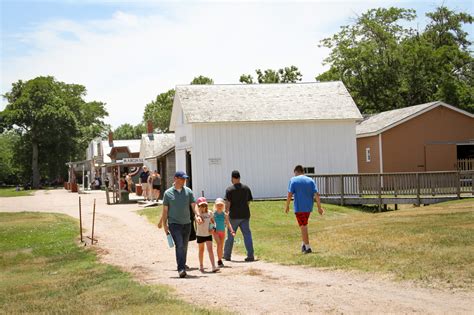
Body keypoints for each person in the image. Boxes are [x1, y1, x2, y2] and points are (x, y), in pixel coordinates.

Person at [162, 171, 202, 278]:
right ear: (175, 178)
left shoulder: (188, 192)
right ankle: (181, 269)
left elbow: (194, 205)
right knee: (179, 245)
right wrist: (164, 225)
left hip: (187, 224)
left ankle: (182, 264)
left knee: (184, 246)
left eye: (185, 179)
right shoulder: (168, 193)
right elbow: (165, 210)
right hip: (174, 224)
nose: (184, 181)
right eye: (182, 179)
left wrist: (197, 215)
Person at [285, 165, 324, 254]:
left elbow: (289, 194)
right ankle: (303, 245)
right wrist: (319, 207)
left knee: (303, 226)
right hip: (308, 207)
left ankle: (308, 247)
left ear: (296, 171)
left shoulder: (293, 180)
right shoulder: (310, 180)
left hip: (299, 208)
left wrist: (287, 205)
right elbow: (316, 194)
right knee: (303, 225)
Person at [223, 170, 255, 262]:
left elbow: (228, 203)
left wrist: (226, 214)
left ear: (232, 178)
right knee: (247, 235)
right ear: (239, 178)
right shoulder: (246, 188)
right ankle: (250, 255)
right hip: (245, 215)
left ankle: (227, 255)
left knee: (230, 235)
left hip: (233, 216)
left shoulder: (229, 190)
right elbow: (248, 201)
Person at [195, 197, 219, 273]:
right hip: (200, 235)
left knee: (210, 250)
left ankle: (213, 266)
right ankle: (201, 265)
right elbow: (198, 221)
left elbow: (213, 222)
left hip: (208, 234)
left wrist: (213, 228)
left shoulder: (210, 213)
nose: (203, 207)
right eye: (201, 206)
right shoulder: (198, 215)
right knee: (201, 250)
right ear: (198, 206)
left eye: (204, 205)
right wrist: (199, 217)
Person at [213, 197, 235, 267]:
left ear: (223, 206)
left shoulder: (225, 214)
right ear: (215, 206)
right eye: (218, 205)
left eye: (221, 205)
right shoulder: (214, 214)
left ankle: (220, 260)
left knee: (221, 246)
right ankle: (219, 260)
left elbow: (228, 223)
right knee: (219, 244)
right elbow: (211, 223)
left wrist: (232, 231)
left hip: (222, 231)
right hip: (215, 232)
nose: (219, 206)